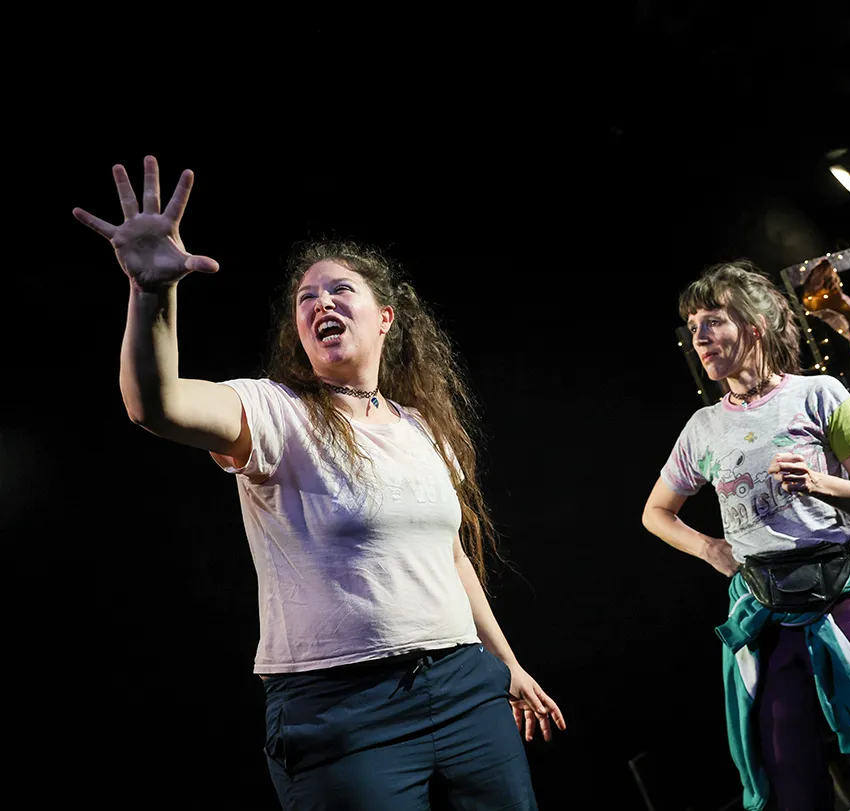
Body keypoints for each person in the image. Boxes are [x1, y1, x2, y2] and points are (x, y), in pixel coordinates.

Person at [73, 156, 565, 810]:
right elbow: (155, 403)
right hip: (341, 712)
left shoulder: (423, 427)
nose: (320, 302)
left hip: (463, 686)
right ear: (298, 330)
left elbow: (449, 560)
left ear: (385, 318)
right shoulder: (277, 412)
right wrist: (151, 293)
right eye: (307, 298)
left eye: (339, 290)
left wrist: (507, 664)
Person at [641, 261, 850, 811]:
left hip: (842, 595)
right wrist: (710, 548)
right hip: (766, 613)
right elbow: (656, 513)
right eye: (693, 326)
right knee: (792, 778)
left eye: (712, 320)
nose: (700, 337)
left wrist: (820, 484)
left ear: (753, 326)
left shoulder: (819, 394)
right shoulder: (703, 428)